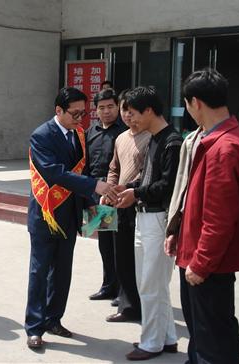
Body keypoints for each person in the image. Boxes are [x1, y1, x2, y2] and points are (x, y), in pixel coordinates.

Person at [165, 69, 239, 364]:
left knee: (212, 340)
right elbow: (194, 199)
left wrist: (201, 263)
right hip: (199, 253)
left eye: (186, 104)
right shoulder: (220, 138)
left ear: (195, 102)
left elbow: (219, 219)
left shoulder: (225, 147)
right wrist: (177, 233)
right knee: (204, 334)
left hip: (208, 262)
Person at [25, 86, 117, 349]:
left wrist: (96, 209)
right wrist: (94, 185)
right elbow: (54, 172)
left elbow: (83, 170)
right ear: (59, 110)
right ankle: (34, 327)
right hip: (47, 214)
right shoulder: (41, 135)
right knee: (40, 271)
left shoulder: (79, 134)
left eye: (83, 113)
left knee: (62, 271)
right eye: (75, 113)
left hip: (70, 214)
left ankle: (54, 319)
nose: (80, 118)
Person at [115, 86, 182, 361]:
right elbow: (146, 178)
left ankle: (151, 343)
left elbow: (167, 186)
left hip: (158, 218)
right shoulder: (155, 138)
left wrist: (136, 193)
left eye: (133, 113)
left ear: (149, 111)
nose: (129, 119)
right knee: (152, 283)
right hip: (144, 216)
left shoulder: (172, 142)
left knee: (151, 284)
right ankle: (167, 338)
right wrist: (128, 188)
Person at [103, 91, 150, 323]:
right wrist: (110, 188)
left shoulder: (150, 138)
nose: (128, 116)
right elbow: (114, 167)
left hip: (138, 203)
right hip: (116, 203)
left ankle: (138, 304)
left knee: (138, 258)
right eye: (125, 111)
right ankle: (125, 301)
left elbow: (147, 173)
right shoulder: (121, 138)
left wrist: (129, 189)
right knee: (118, 255)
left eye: (132, 112)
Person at [85, 89, 126, 302]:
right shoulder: (90, 132)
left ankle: (124, 290)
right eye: (101, 107)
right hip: (96, 194)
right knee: (105, 243)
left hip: (118, 194)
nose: (106, 111)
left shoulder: (124, 131)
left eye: (110, 106)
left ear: (117, 107)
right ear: (96, 110)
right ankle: (108, 286)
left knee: (120, 246)